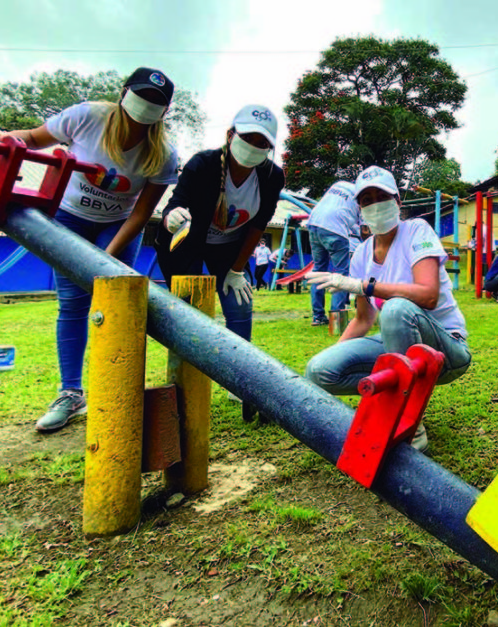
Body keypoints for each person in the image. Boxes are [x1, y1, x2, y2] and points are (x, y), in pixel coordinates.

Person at [0, 67, 180, 433]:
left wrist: (106, 254)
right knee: (74, 304)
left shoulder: (163, 153)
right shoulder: (87, 116)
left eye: (157, 102)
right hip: (70, 217)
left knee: (121, 306)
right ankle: (71, 393)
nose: (146, 105)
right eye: (142, 95)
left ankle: (120, 389)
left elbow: (143, 212)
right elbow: (31, 138)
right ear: (124, 92)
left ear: (165, 110)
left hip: (119, 226)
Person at [304, 166, 472, 452]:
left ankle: (410, 425)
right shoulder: (361, 254)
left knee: (395, 309)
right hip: (400, 349)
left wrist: (366, 286)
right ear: (359, 209)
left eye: (381, 196)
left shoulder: (416, 230)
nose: (374, 204)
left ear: (397, 201)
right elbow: (363, 319)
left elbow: (428, 295)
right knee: (319, 370)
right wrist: (329, 356)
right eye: (366, 199)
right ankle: (394, 403)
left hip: (446, 349)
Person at [155, 104, 285, 348]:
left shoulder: (271, 177)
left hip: (229, 248)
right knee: (190, 309)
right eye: (247, 138)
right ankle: (187, 373)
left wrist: (236, 271)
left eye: (262, 142)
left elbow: (259, 224)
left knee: (240, 302)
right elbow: (175, 204)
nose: (253, 146)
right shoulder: (202, 164)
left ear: (269, 148)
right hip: (187, 245)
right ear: (230, 135)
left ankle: (238, 375)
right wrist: (172, 217)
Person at [308, 180, 361, 326]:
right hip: (336, 229)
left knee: (318, 272)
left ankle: (318, 316)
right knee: (341, 275)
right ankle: (337, 321)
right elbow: (361, 228)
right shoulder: (362, 194)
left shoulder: (339, 184)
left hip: (314, 224)